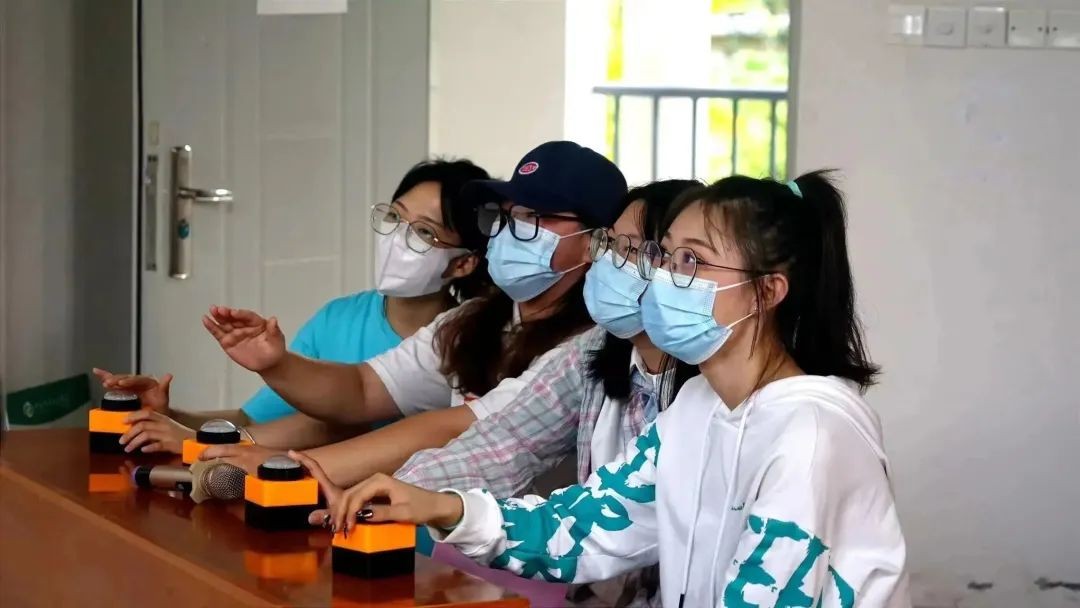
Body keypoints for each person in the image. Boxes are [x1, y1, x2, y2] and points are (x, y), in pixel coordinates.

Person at [301, 171, 911, 607]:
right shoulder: (699, 406)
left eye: (692, 262)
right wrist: (440, 507)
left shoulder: (810, 434)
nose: (661, 277)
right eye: (664, 257)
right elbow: (582, 527)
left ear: (767, 292)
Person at [295, 179, 699, 607]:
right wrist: (396, 494)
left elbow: (589, 522)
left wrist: (436, 505)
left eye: (632, 251)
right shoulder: (593, 350)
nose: (611, 262)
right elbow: (502, 442)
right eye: (610, 244)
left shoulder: (707, 397)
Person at [196, 141, 629, 478]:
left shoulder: (590, 344)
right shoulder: (473, 320)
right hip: (458, 544)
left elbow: (456, 428)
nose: (514, 229)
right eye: (510, 213)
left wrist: (297, 470)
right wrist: (276, 364)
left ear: (597, 241)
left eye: (538, 216)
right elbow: (364, 389)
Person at [93, 158, 493, 454]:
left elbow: (339, 426)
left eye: (423, 232)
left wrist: (197, 443)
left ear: (463, 263)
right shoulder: (339, 319)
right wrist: (171, 417)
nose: (397, 239)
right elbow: (254, 421)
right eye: (394, 217)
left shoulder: (467, 344)